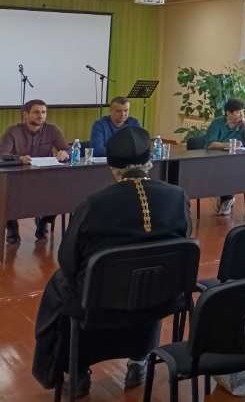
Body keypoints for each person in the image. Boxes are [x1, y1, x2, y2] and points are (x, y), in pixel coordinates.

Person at [32, 127, 190, 397]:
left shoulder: (94, 205)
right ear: (150, 161)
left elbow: (68, 259)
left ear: (112, 168)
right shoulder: (177, 197)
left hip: (99, 304)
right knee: (152, 273)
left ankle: (74, 371)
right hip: (161, 299)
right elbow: (182, 245)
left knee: (62, 285)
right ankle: (140, 360)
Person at [1, 99, 70, 243]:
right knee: (4, 191)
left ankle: (44, 220)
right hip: (18, 177)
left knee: (63, 190)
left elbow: (67, 149)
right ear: (25, 115)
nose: (41, 116)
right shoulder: (13, 131)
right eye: (36, 112)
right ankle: (12, 225)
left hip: (44, 176)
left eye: (44, 112)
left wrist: (64, 153)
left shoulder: (52, 130)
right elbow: (2, 155)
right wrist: (19, 159)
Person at [203, 98, 245, 215]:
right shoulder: (217, 123)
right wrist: (229, 144)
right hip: (219, 159)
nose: (241, 115)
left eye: (242, 112)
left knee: (233, 168)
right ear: (228, 112)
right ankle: (227, 199)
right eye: (238, 112)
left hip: (241, 160)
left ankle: (226, 199)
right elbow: (210, 144)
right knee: (227, 168)